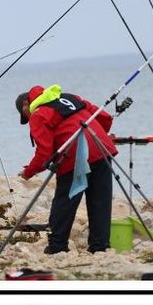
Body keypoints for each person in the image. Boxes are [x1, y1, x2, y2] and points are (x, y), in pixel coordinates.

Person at [16, 84, 118, 254]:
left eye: (24, 114)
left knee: (65, 202)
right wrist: (98, 135)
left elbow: (44, 153)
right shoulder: (70, 97)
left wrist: (28, 172)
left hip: (74, 156)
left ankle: (57, 247)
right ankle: (100, 247)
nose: (28, 118)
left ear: (26, 104)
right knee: (100, 201)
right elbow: (104, 117)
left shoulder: (39, 114)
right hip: (101, 148)